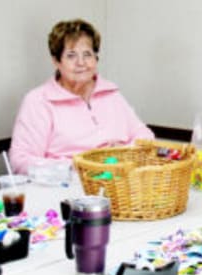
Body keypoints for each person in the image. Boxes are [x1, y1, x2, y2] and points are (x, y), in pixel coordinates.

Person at [9, 18, 154, 174]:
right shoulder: (39, 101)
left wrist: (120, 155)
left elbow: (145, 137)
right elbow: (20, 160)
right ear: (56, 61)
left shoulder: (111, 93)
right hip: (65, 187)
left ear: (95, 58)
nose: (81, 62)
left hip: (117, 184)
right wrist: (78, 166)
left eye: (87, 54)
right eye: (71, 55)